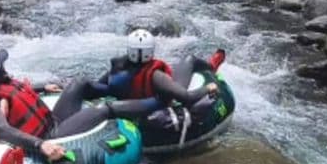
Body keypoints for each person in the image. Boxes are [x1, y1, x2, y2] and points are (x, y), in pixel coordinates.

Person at [0, 49, 163, 162]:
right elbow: (4, 130)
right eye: (1, 66)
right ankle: (157, 102)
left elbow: (17, 90)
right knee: (105, 110)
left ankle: (122, 89)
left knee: (80, 82)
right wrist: (40, 144)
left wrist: (42, 86)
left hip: (52, 121)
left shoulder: (0, 84)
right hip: (50, 137)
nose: (4, 66)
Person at [87, 29, 224, 107]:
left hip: (128, 108)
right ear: (150, 51)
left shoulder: (116, 70)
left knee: (176, 67)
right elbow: (186, 97)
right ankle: (211, 67)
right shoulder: (156, 76)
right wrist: (208, 87)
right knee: (190, 59)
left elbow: (97, 89)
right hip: (156, 102)